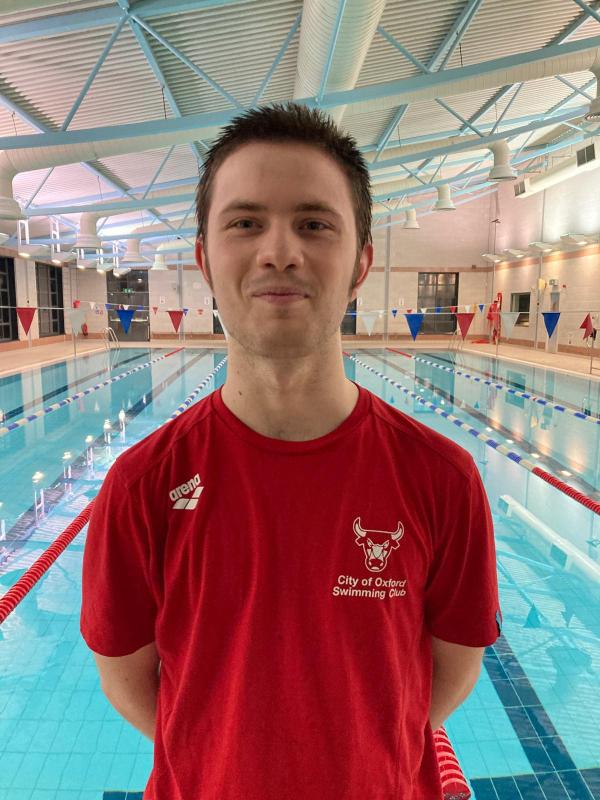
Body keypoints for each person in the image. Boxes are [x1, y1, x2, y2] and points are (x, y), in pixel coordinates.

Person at [80, 103, 501, 800]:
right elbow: (127, 681)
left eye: (314, 223)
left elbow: (452, 670)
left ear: (361, 261)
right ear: (204, 259)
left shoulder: (441, 478)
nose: (280, 251)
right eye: (245, 223)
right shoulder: (141, 485)